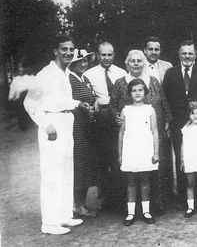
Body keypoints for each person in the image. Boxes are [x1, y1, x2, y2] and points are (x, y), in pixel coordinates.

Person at [24, 35, 88, 235]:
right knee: (52, 174)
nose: (68, 53)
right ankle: (50, 223)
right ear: (55, 51)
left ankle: (63, 216)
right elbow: (29, 102)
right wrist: (46, 125)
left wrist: (78, 104)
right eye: (64, 49)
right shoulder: (46, 74)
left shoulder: (65, 72)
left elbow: (61, 100)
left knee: (66, 171)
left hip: (66, 123)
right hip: (52, 125)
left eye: (71, 49)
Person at [110, 49, 172, 214]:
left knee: (153, 169)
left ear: (144, 63)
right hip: (130, 134)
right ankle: (131, 209)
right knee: (130, 173)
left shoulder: (153, 81)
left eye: (139, 61)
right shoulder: (120, 83)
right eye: (133, 61)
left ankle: (153, 207)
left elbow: (164, 101)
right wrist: (116, 116)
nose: (136, 64)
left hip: (152, 131)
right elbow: (112, 105)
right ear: (127, 63)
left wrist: (167, 120)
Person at [163, 40, 197, 210]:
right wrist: (169, 121)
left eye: (190, 53)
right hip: (178, 122)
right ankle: (185, 197)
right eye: (184, 53)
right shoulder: (171, 73)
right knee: (182, 157)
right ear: (179, 54)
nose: (187, 56)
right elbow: (165, 99)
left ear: (195, 55)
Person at [83, 42, 127, 210]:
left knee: (119, 155)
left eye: (110, 54)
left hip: (117, 116)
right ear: (98, 55)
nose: (107, 58)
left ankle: (121, 197)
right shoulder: (89, 74)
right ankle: (106, 197)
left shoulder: (121, 72)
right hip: (101, 119)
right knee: (104, 158)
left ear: (114, 55)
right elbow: (87, 95)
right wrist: (93, 100)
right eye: (103, 55)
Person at [118, 79, 159, 226]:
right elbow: (121, 133)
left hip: (145, 148)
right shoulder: (125, 110)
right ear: (130, 93)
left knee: (145, 180)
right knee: (131, 181)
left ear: (145, 92)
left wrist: (156, 152)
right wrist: (120, 154)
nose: (137, 93)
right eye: (134, 90)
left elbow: (154, 132)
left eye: (140, 90)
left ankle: (146, 212)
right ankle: (131, 213)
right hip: (130, 149)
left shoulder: (150, 109)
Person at [67, 48, 100, 218]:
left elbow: (92, 98)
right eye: (79, 62)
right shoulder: (69, 79)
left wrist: (94, 105)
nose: (83, 64)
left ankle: (82, 203)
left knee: (87, 165)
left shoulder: (85, 78)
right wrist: (79, 104)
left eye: (85, 61)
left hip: (88, 128)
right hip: (76, 128)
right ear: (72, 64)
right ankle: (78, 205)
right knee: (79, 165)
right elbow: (65, 99)